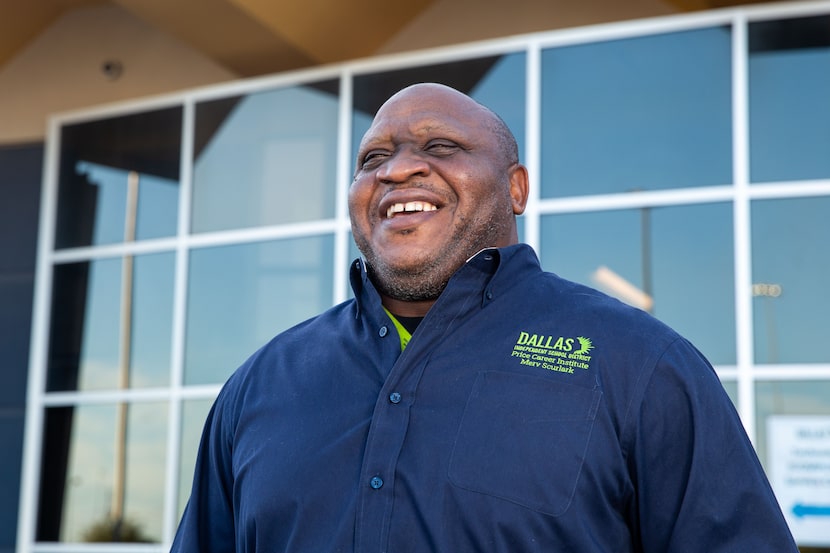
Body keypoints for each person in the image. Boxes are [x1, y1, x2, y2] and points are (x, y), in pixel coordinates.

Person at [171, 83, 798, 552]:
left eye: (441, 146)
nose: (396, 169)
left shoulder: (640, 364)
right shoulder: (261, 384)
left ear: (516, 188)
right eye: (372, 159)